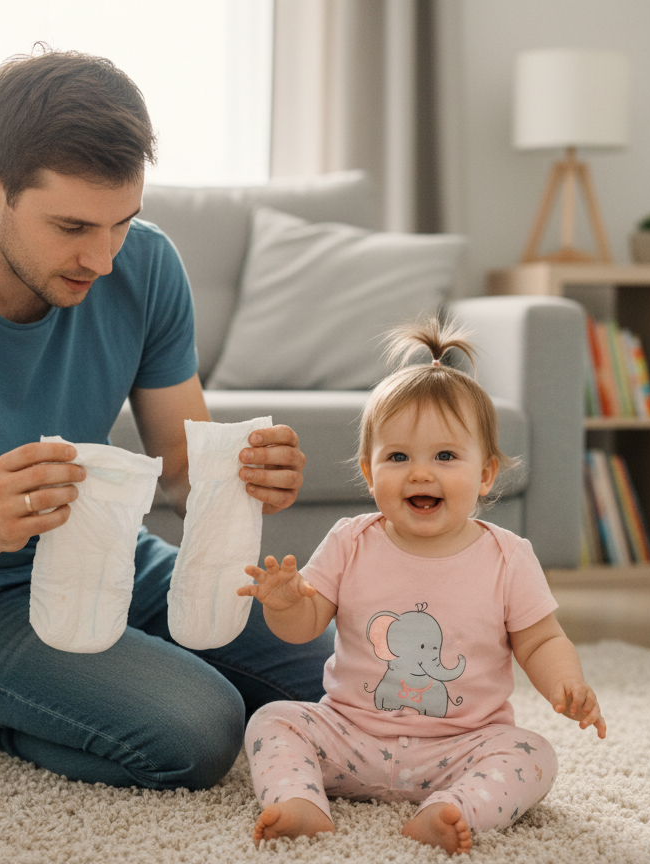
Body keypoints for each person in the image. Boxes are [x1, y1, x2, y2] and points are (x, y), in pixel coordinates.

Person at [0, 46, 332, 792]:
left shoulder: (146, 265)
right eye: (74, 226)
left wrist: (241, 478)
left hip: (113, 557)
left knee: (337, 675)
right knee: (200, 731)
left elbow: (179, 471)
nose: (104, 259)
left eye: (122, 223)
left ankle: (85, 693)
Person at [237, 318, 606, 855]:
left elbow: (541, 640)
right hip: (350, 739)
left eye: (446, 456)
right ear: (369, 471)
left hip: (461, 747)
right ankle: (302, 801)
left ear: (486, 475)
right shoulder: (350, 540)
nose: (420, 474)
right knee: (274, 719)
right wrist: (286, 601)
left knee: (533, 754)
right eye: (398, 457)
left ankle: (453, 809)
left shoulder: (509, 557)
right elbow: (303, 628)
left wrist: (565, 685)